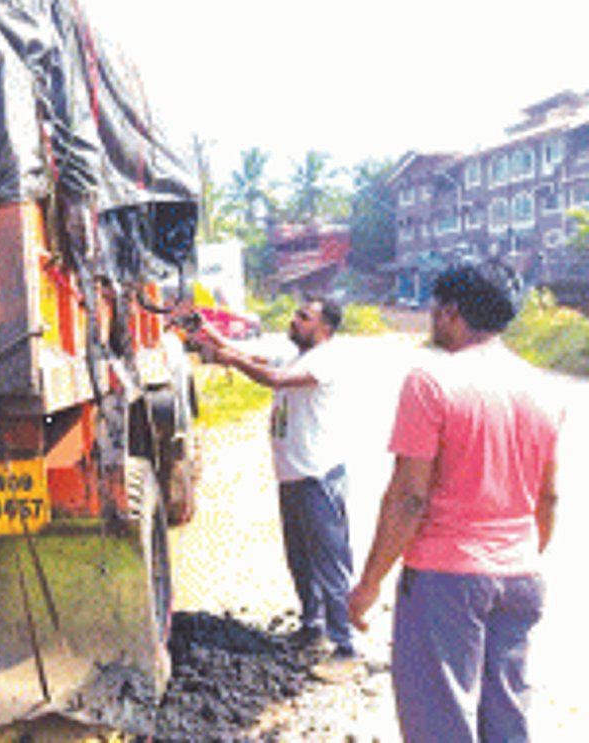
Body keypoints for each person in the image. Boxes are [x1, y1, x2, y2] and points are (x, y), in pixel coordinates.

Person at [348, 260, 563, 743]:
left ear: (450, 312)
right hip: (521, 576)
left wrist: (369, 584)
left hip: (447, 579)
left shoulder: (431, 382)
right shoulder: (544, 387)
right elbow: (548, 497)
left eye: (434, 311)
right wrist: (518, 558)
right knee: (506, 719)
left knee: (440, 723)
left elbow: (408, 499)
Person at [194, 295, 358, 666]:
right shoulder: (295, 354)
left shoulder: (326, 360)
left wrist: (232, 361)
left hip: (318, 477)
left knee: (330, 564)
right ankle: (311, 627)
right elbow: (241, 351)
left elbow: (274, 379)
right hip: (292, 476)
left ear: (325, 328)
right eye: (297, 314)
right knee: (299, 559)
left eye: (304, 317)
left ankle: (345, 647)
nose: (294, 320)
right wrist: (203, 329)